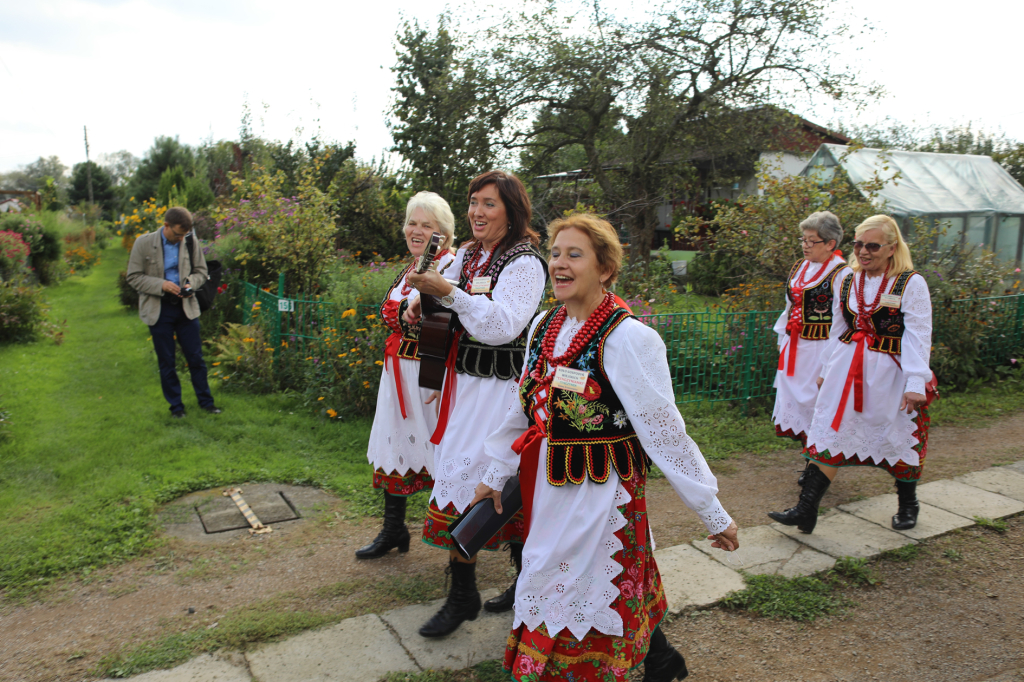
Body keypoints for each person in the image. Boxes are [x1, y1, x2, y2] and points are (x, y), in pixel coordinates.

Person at [472, 214, 738, 682]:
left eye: (575, 254)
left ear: (606, 268)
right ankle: (660, 662)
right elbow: (521, 409)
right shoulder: (543, 326)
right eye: (555, 253)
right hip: (550, 493)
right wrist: (494, 473)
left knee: (586, 589)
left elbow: (665, 433)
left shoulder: (629, 338)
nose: (559, 263)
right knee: (560, 584)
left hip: (601, 496)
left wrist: (711, 511)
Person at [404, 170, 547, 637]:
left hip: (503, 392)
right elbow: (437, 294)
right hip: (464, 385)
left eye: (488, 203)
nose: (476, 212)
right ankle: (464, 593)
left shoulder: (525, 263)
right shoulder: (465, 254)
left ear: (510, 210)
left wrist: (448, 294)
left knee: (503, 483)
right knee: (459, 476)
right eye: (473, 202)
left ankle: (521, 583)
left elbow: (502, 325)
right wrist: (421, 302)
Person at [769, 215, 933, 533]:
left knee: (897, 434)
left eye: (872, 245)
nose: (863, 251)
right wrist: (826, 370)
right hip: (847, 367)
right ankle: (806, 509)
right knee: (828, 431)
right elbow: (838, 330)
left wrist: (916, 382)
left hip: (891, 372)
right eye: (858, 244)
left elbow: (918, 335)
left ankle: (908, 503)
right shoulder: (848, 280)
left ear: (891, 248)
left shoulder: (911, 283)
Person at [356, 192, 457, 559]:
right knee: (396, 444)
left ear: (443, 233)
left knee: (442, 449)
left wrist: (407, 316)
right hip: (398, 371)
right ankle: (394, 529)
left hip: (432, 375)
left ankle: (457, 544)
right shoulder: (411, 266)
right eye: (412, 223)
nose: (417, 231)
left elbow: (444, 318)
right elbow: (395, 313)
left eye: (426, 225)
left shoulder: (450, 267)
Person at [772, 212, 851, 482]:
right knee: (797, 403)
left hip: (821, 349)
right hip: (796, 348)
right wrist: (782, 338)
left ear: (830, 243)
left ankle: (817, 467)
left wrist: (833, 360)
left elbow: (844, 319)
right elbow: (790, 305)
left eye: (811, 241)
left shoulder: (842, 273)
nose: (805, 245)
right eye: (803, 239)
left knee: (819, 404)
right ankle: (811, 460)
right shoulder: (800, 267)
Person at [126, 207, 220, 418]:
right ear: (166, 225)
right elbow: (133, 277)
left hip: (186, 308)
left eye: (183, 235)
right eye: (177, 234)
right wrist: (162, 285)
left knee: (196, 358)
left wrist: (190, 284)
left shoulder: (189, 241)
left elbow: (201, 272)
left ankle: (207, 403)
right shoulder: (143, 243)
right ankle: (176, 408)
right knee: (167, 361)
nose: (180, 239)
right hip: (158, 309)